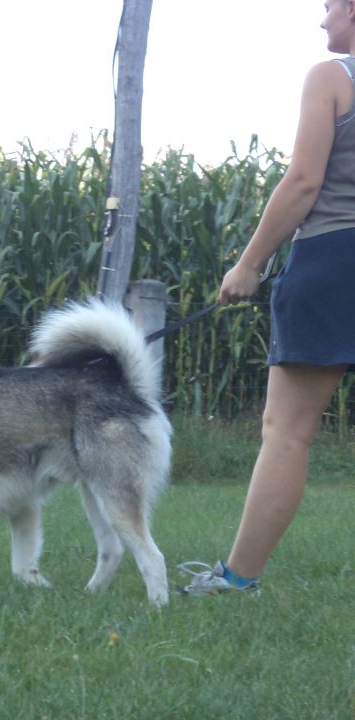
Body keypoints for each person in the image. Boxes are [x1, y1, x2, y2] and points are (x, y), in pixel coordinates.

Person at [180, 0, 355, 596]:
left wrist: (249, 263)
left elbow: (304, 181)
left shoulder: (333, 76)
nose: (322, 19)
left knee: (288, 430)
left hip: (335, 259)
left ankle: (237, 580)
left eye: (327, 6)